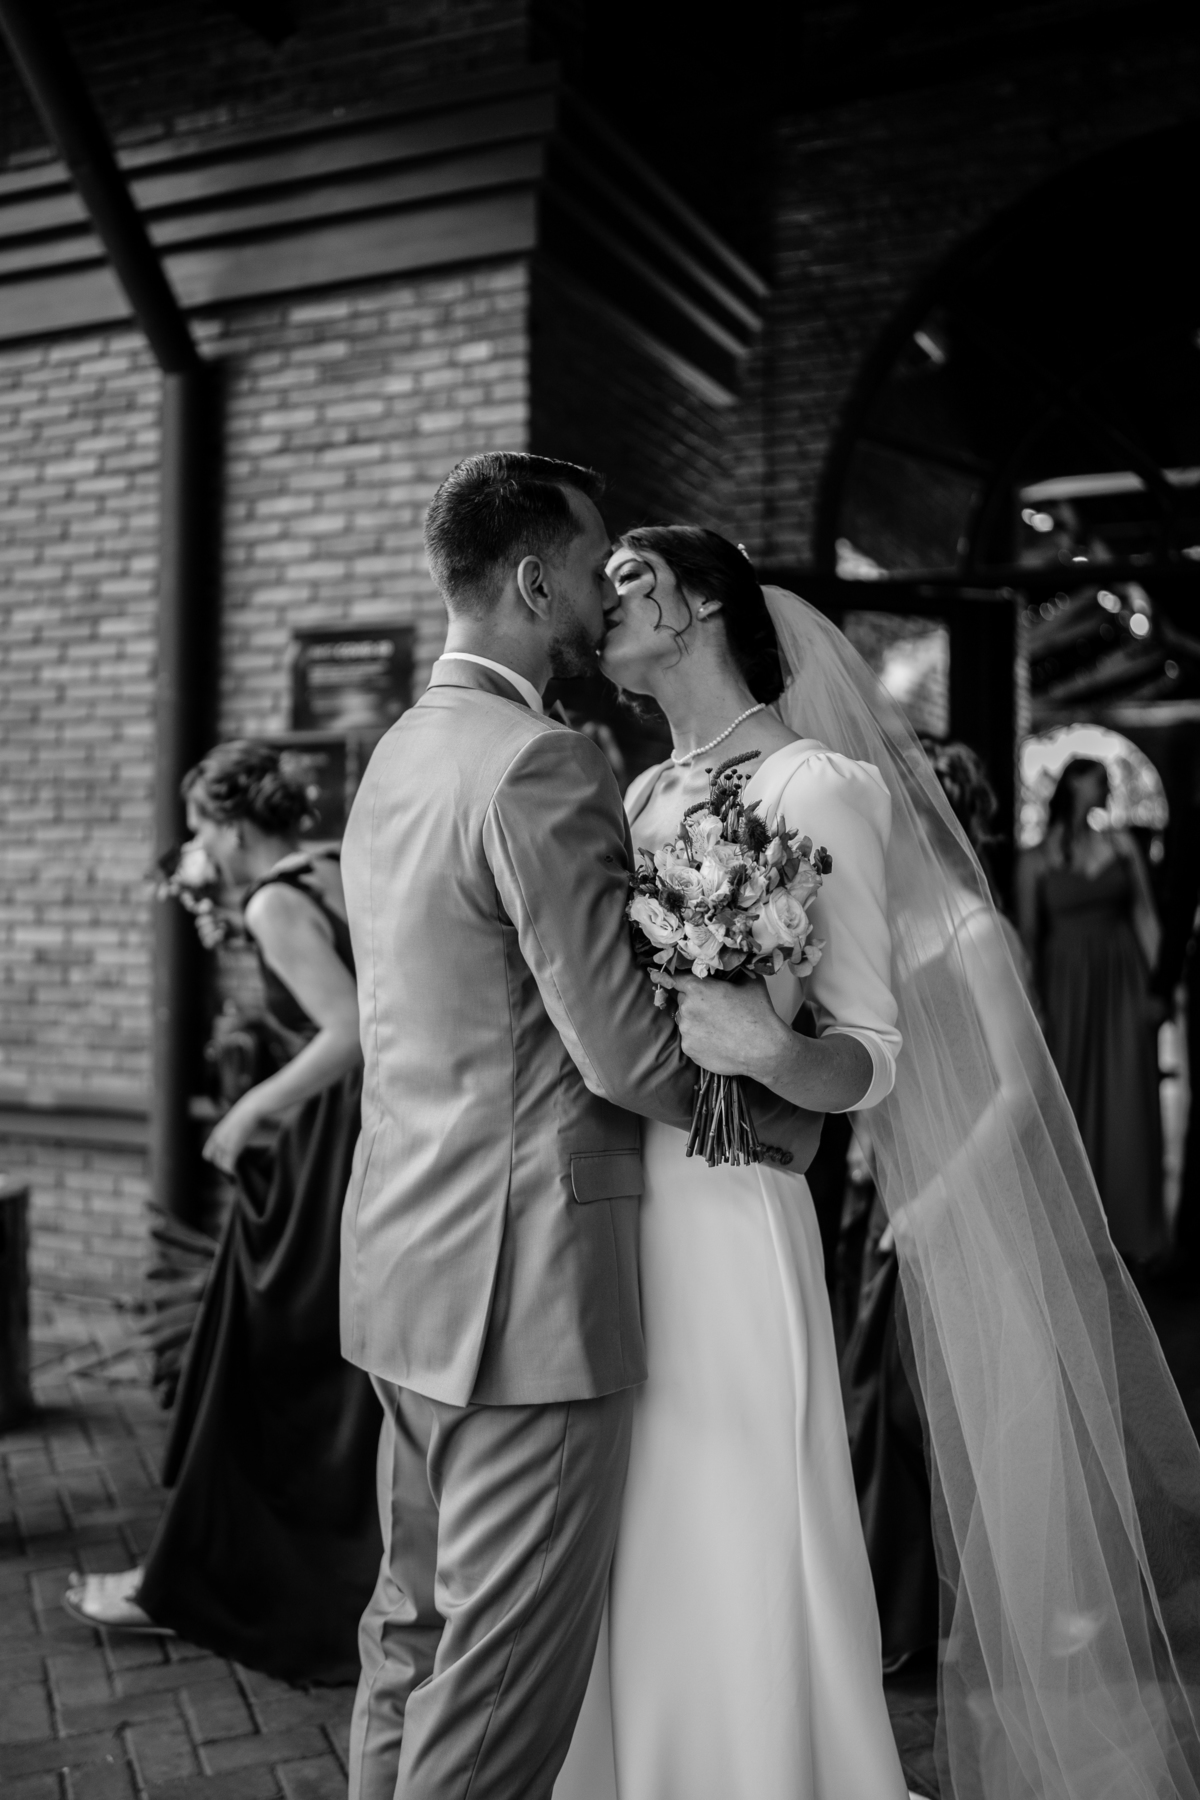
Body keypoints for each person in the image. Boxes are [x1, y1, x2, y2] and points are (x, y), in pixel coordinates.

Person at [557, 530, 1200, 1800]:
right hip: (636, 1197)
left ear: (695, 609)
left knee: (738, 1510)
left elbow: (869, 1054)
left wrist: (767, 1052)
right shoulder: (638, 797)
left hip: (737, 1213)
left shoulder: (823, 785)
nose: (600, 603)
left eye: (627, 583)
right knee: (640, 1515)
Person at [339, 456, 820, 1800]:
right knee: (497, 1692)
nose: (604, 590)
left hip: (402, 1271)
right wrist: (778, 1112)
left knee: (409, 1635)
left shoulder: (397, 753)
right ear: (531, 578)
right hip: (527, 1293)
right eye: (592, 563)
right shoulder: (540, 763)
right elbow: (621, 1050)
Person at [64, 741, 382, 1683]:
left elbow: (351, 1029)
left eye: (203, 824)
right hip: (358, 1142)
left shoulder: (275, 898)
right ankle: (253, 1574)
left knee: (263, 1367)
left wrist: (251, 1107)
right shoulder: (330, 863)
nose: (198, 844)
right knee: (309, 1367)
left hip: (321, 1147)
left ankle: (208, 1586)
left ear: (235, 825)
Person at [1018, 756, 1165, 1263]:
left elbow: (1146, 915)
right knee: (1071, 1097)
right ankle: (1072, 1232)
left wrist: (1156, 988)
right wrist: (1035, 1007)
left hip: (1122, 981)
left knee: (1127, 1091)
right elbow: (1030, 940)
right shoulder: (1036, 859)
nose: (1106, 790)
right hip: (1066, 986)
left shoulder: (1123, 846)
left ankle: (1131, 1228)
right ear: (1075, 787)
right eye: (1099, 781)